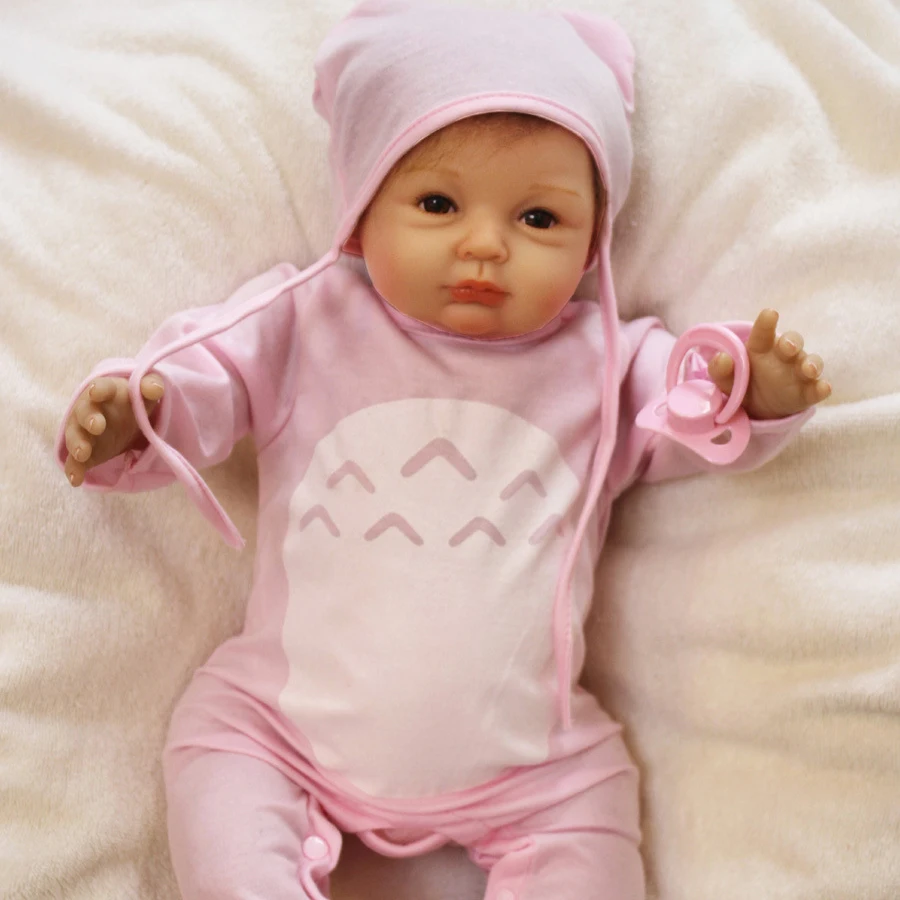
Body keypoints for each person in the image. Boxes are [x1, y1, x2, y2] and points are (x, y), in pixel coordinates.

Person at [56, 3, 830, 898]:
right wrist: (140, 409)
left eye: (538, 217)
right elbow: (210, 373)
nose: (485, 245)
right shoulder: (308, 321)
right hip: (277, 727)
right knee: (213, 756)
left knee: (594, 815)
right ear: (359, 214)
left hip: (534, 766)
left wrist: (749, 391)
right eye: (436, 203)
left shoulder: (605, 363)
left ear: (593, 244)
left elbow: (690, 404)